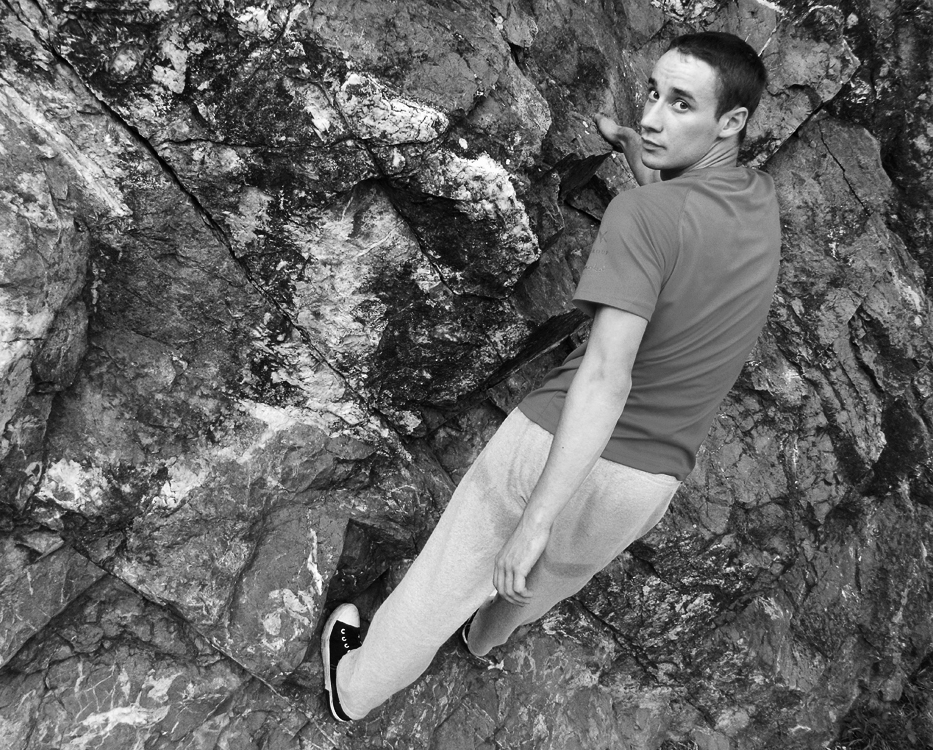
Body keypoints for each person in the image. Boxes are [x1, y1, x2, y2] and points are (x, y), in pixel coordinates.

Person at [321, 30, 781, 723]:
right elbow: (680, 224)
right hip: (645, 485)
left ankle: (352, 690)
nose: (653, 116)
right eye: (652, 93)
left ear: (731, 121)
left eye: (681, 104)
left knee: (447, 579)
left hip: (555, 446)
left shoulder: (643, 216)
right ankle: (483, 638)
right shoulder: (758, 203)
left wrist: (536, 518)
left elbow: (605, 376)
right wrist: (634, 148)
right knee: (539, 583)